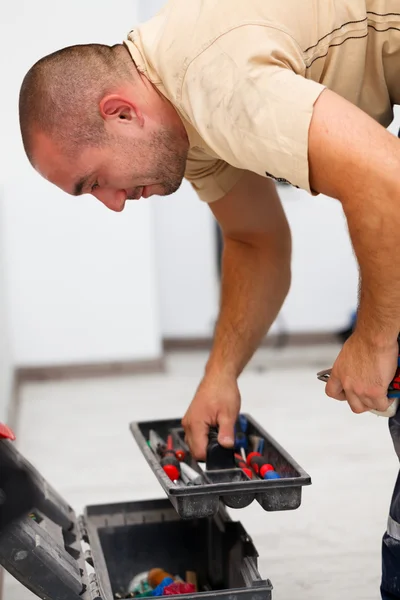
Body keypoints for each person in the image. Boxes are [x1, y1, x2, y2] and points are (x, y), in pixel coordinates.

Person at [17, 1, 400, 595]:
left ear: (120, 113)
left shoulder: (213, 82)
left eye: (94, 181)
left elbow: (385, 180)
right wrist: (220, 374)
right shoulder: (180, 115)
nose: (113, 204)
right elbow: (255, 241)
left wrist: (375, 338)